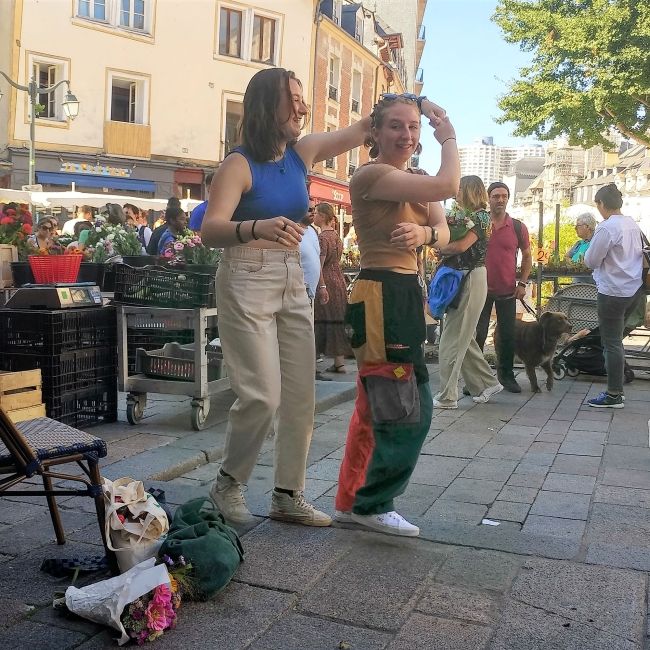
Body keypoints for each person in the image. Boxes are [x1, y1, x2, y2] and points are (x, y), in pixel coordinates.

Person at [201, 67, 380, 527]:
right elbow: (210, 229)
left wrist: (410, 109)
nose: (302, 106)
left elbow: (361, 128)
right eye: (293, 98)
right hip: (246, 275)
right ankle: (228, 485)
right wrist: (256, 227)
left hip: (291, 278)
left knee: (301, 396)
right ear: (267, 105)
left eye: (302, 98)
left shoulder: (302, 153)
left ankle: (287, 495)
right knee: (261, 395)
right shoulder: (238, 164)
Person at [334, 93, 458, 537]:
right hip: (380, 292)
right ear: (375, 133)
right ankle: (373, 502)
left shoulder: (413, 179)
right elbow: (448, 187)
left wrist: (426, 230)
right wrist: (448, 136)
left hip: (402, 292)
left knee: (375, 405)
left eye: (413, 127)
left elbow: (444, 231)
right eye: (396, 126)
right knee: (406, 406)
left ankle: (354, 500)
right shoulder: (371, 175)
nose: (407, 135)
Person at [434, 176, 503, 408]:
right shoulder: (476, 216)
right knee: (464, 336)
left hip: (470, 276)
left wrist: (438, 245)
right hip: (467, 276)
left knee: (452, 339)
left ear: (470, 191)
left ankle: (447, 396)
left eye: (460, 188)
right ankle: (486, 383)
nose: (456, 191)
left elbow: (462, 246)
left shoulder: (480, 216)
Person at [584, 183, 644, 408]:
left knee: (611, 343)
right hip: (633, 290)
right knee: (616, 341)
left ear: (601, 204)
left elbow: (591, 260)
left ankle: (614, 393)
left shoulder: (607, 227)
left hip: (612, 292)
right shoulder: (632, 224)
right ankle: (617, 388)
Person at [475, 182, 532, 393]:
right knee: (478, 334)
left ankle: (506, 376)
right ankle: (476, 379)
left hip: (508, 290)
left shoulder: (517, 227)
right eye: (496, 196)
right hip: (479, 288)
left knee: (508, 335)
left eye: (504, 196)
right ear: (488, 198)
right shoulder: (479, 224)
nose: (500, 200)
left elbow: (527, 256)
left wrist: (523, 283)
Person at [313, 202, 352, 373]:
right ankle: (339, 362)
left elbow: (319, 265)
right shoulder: (336, 235)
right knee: (337, 319)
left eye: (315, 213)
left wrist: (321, 284)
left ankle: (313, 360)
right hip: (339, 279)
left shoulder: (322, 238)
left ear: (321, 216)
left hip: (327, 280)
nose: (313, 216)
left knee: (320, 320)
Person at [298, 199, 331, 382]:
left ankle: (310, 368)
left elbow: (317, 261)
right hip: (296, 291)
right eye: (309, 209)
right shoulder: (293, 230)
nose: (312, 212)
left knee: (310, 331)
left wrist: (322, 286)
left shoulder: (312, 231)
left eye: (314, 209)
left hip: (310, 293)